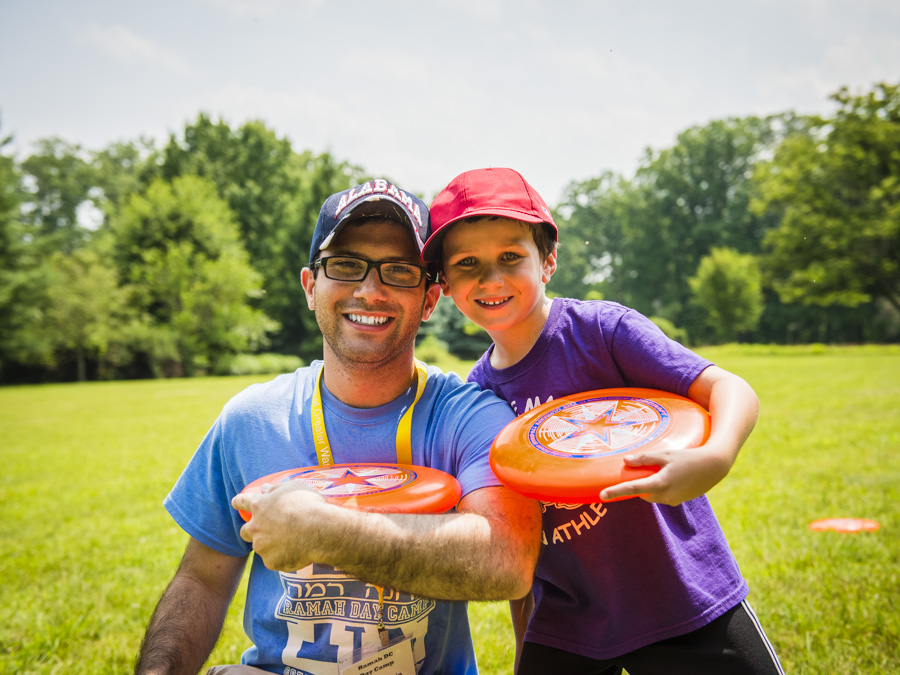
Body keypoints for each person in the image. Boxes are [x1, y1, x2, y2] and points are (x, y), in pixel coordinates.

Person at [134, 178, 542, 675]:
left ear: (430, 300)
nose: (370, 291)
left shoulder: (470, 416)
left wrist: (326, 532)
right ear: (311, 286)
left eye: (398, 271)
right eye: (346, 265)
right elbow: (202, 579)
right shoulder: (251, 418)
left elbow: (507, 561)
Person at [422, 167, 784, 675]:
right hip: (569, 625)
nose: (490, 278)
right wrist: (526, 641)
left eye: (510, 256)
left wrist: (714, 457)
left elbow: (730, 388)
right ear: (446, 283)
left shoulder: (602, 331)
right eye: (466, 263)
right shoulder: (477, 398)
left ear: (547, 261)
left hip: (682, 598)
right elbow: (520, 536)